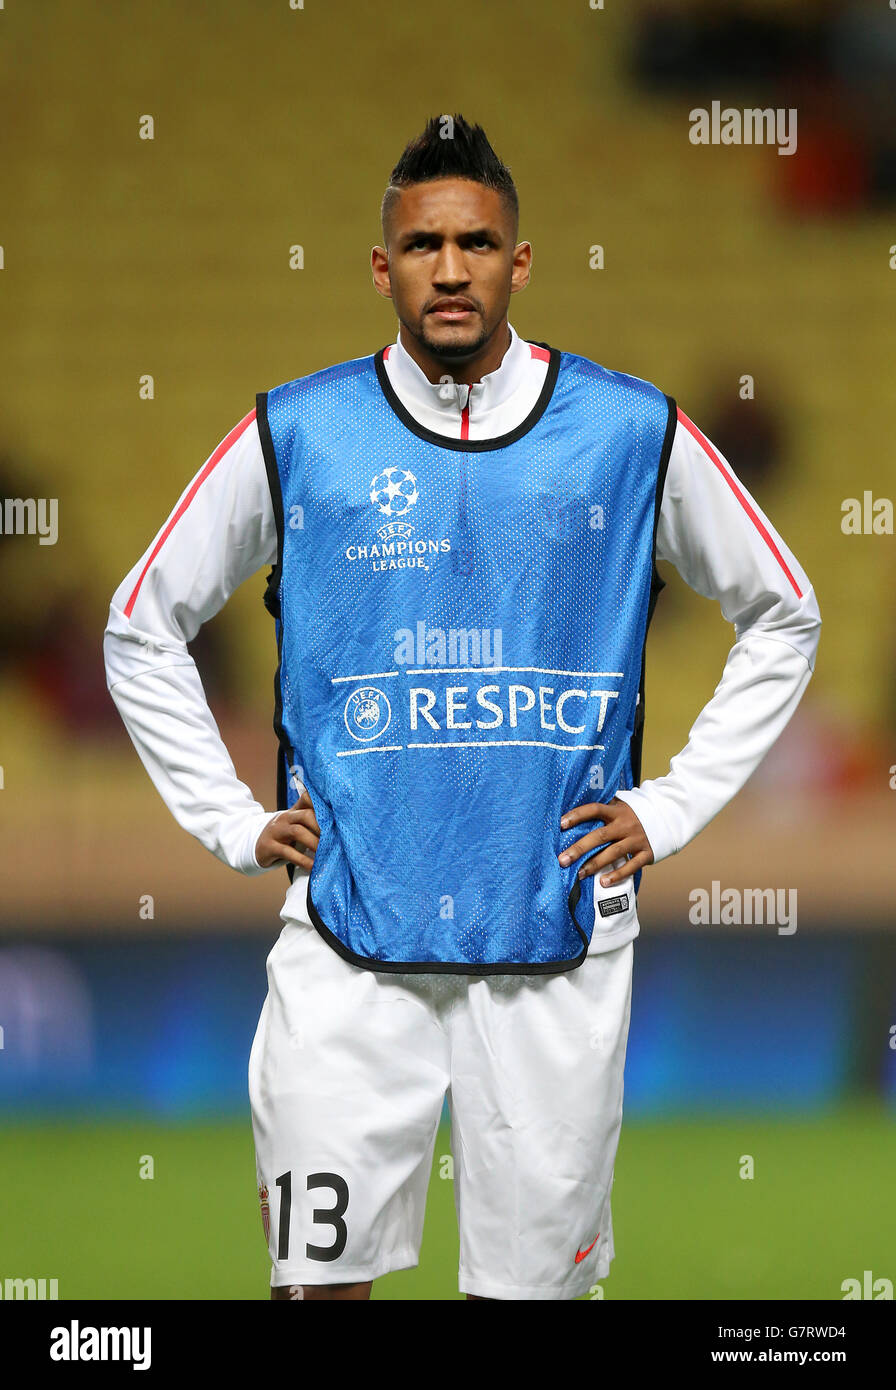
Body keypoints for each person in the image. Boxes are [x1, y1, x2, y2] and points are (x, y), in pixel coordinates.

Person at [103, 115, 821, 1301]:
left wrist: (674, 803)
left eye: (476, 242)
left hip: (556, 945)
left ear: (519, 263)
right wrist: (231, 822)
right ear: (380, 266)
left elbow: (782, 610)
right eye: (423, 244)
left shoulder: (627, 431)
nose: (450, 267)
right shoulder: (299, 432)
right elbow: (141, 619)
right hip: (345, 946)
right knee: (315, 1292)